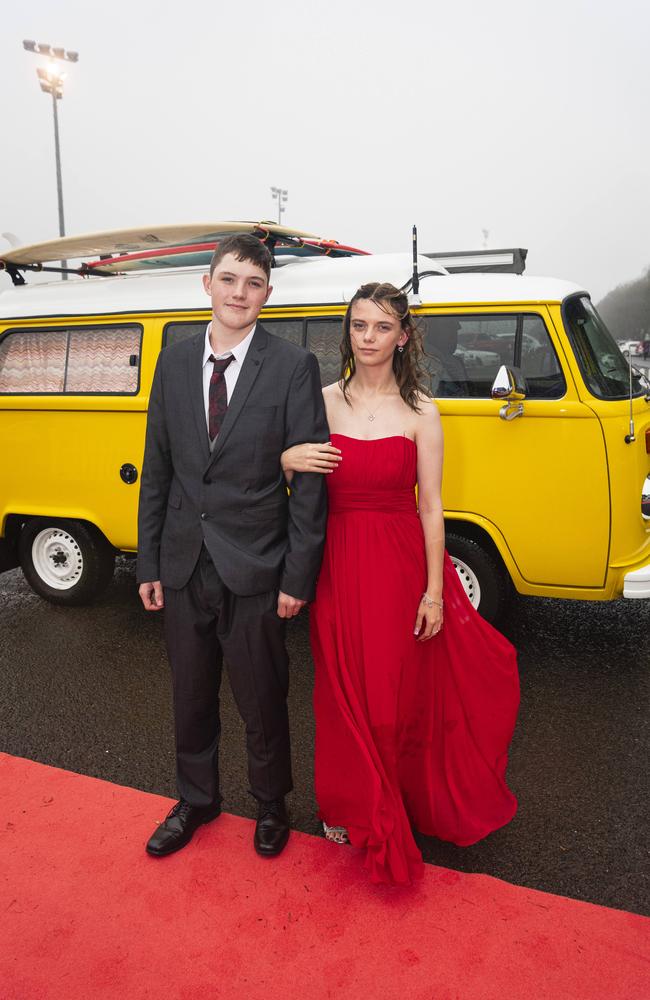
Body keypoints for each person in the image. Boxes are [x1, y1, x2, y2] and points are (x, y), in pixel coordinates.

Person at [281, 282, 519, 885]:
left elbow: (432, 507)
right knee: (338, 689)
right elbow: (278, 468)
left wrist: (435, 591)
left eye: (382, 327)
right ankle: (346, 804)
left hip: (397, 565)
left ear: (403, 336)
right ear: (348, 332)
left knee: (391, 696)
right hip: (334, 563)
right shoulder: (320, 400)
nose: (368, 338)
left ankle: (393, 795)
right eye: (359, 326)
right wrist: (285, 461)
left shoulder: (422, 412)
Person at [137, 234, 328, 860]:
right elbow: (159, 468)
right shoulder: (172, 361)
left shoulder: (294, 367)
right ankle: (197, 799)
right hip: (185, 563)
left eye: (252, 283)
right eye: (228, 279)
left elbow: (310, 485)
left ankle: (272, 804)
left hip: (259, 567)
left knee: (263, 700)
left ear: (268, 294)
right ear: (207, 284)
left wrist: (298, 577)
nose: (238, 293)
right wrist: (150, 560)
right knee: (190, 696)